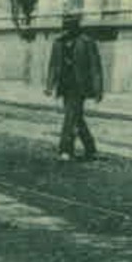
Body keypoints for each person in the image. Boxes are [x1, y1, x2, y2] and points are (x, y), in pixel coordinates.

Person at [44, 13, 103, 162]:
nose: (66, 31)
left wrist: (98, 89)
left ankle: (65, 149)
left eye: (70, 27)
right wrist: (49, 85)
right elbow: (53, 65)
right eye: (65, 27)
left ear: (77, 28)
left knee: (70, 116)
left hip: (80, 86)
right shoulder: (58, 43)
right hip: (64, 85)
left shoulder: (87, 42)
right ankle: (90, 148)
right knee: (76, 117)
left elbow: (95, 68)